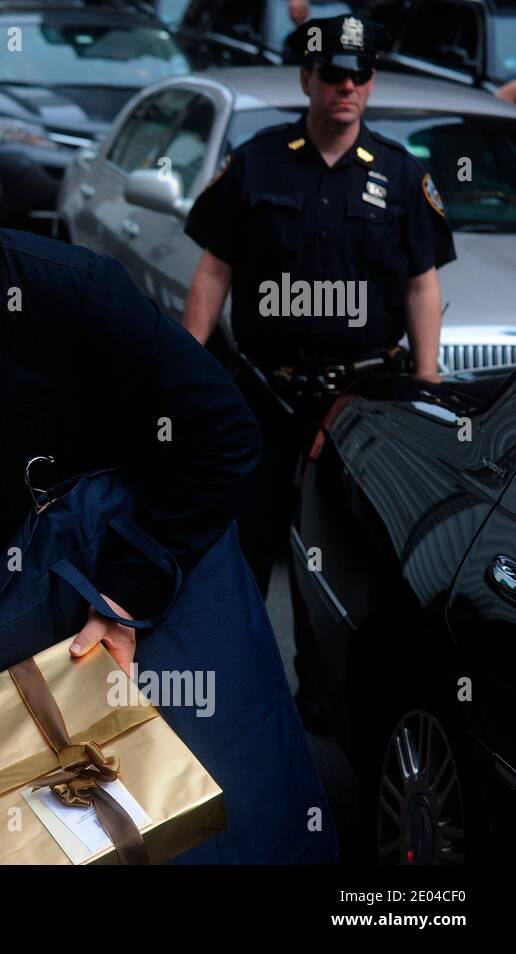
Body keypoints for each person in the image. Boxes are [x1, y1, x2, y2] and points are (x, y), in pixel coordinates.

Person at [0, 101, 336, 865]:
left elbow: (222, 433)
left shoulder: (73, 290)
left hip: (105, 638)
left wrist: (125, 595)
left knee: (140, 843)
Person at [182, 14, 456, 596]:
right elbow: (214, 270)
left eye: (360, 75)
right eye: (332, 75)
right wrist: (186, 364)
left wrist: (427, 382)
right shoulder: (258, 162)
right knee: (245, 544)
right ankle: (244, 670)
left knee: (347, 558)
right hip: (265, 394)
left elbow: (421, 284)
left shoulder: (401, 173)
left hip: (361, 404)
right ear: (306, 80)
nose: (347, 87)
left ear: (372, 82)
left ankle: (329, 686)